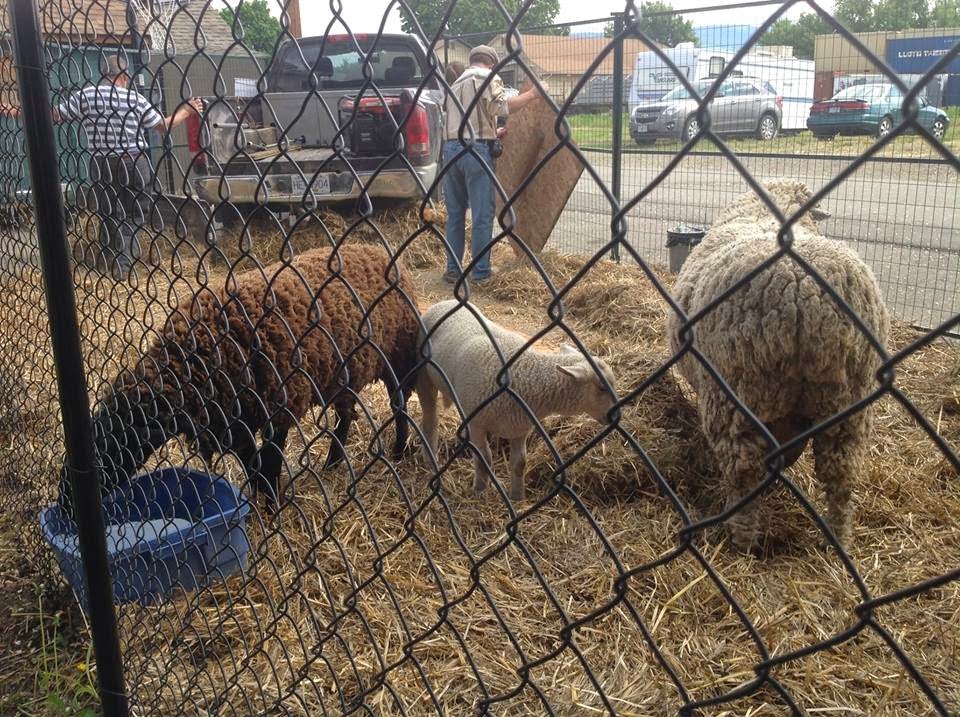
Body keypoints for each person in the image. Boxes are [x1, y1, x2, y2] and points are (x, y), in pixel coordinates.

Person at [0, 54, 201, 278]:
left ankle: (108, 258)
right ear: (124, 76)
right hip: (134, 161)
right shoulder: (134, 98)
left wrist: (15, 110)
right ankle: (123, 268)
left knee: (109, 212)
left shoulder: (87, 95)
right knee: (134, 214)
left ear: (104, 74)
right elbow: (162, 126)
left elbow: (54, 115)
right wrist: (187, 110)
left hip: (102, 162)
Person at [442, 45, 546, 284]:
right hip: (475, 152)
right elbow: (503, 106)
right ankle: (480, 272)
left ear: (472, 60)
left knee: (455, 214)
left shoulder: (456, 83)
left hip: (450, 150)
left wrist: (490, 132)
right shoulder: (487, 77)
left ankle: (452, 270)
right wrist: (533, 94)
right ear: (492, 63)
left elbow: (467, 118)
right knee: (482, 213)